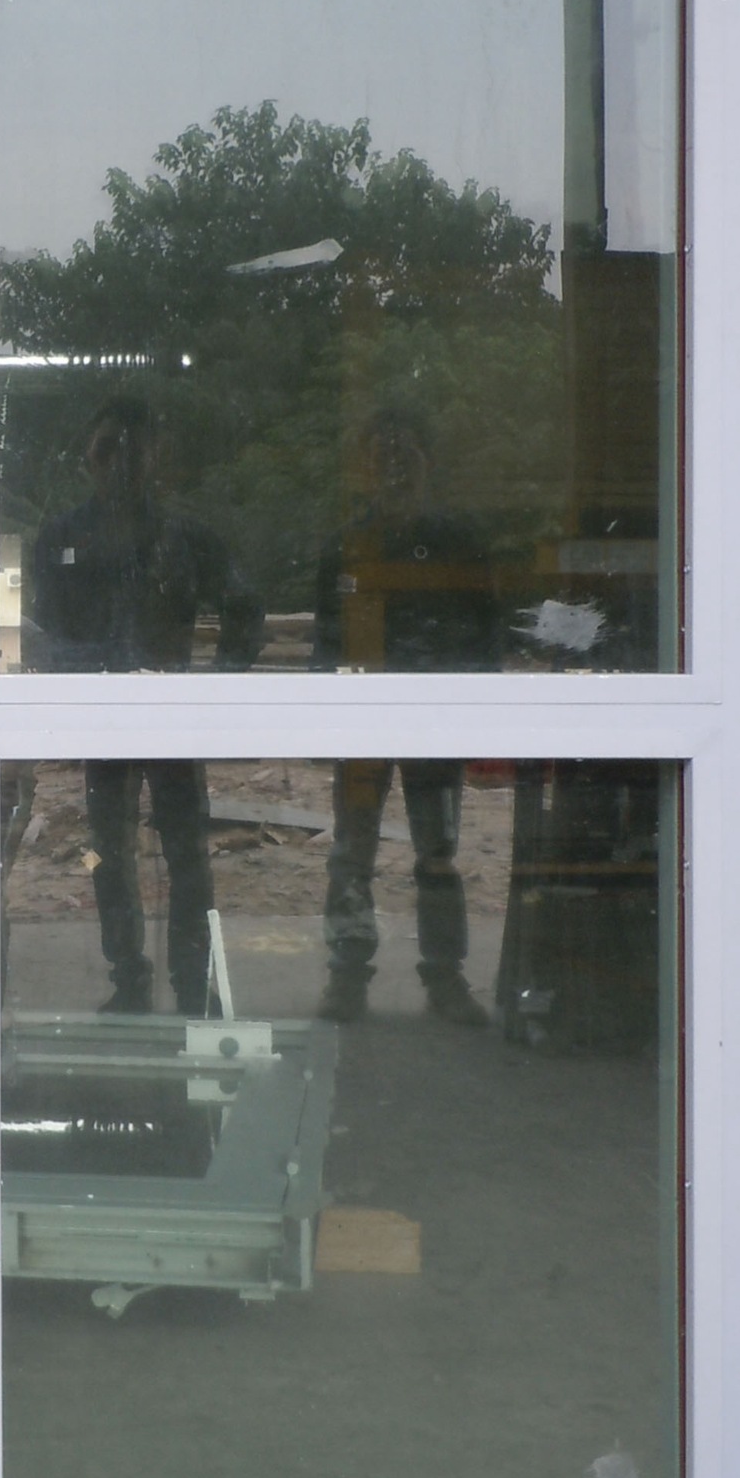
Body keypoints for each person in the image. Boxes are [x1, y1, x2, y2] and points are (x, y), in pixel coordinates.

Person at [24, 395, 262, 1014]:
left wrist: (216, 686)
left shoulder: (183, 538)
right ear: (89, 457)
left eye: (134, 451)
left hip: (173, 720)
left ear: (157, 458)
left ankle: (191, 984)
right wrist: (73, 688)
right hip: (102, 720)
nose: (120, 464)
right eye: (108, 450)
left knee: (186, 854)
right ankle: (128, 976)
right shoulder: (63, 538)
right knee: (108, 852)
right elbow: (41, 629)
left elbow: (244, 608)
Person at [313, 404, 500, 1025]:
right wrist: (321, 720)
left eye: (406, 454)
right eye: (382, 456)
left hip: (435, 720)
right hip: (361, 720)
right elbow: (327, 640)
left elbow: (485, 634)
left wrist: (482, 717)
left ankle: (445, 978)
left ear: (429, 463)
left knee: (438, 852)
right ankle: (346, 975)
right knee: (352, 850)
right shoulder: (346, 544)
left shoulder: (459, 542)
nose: (394, 468)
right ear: (364, 468)